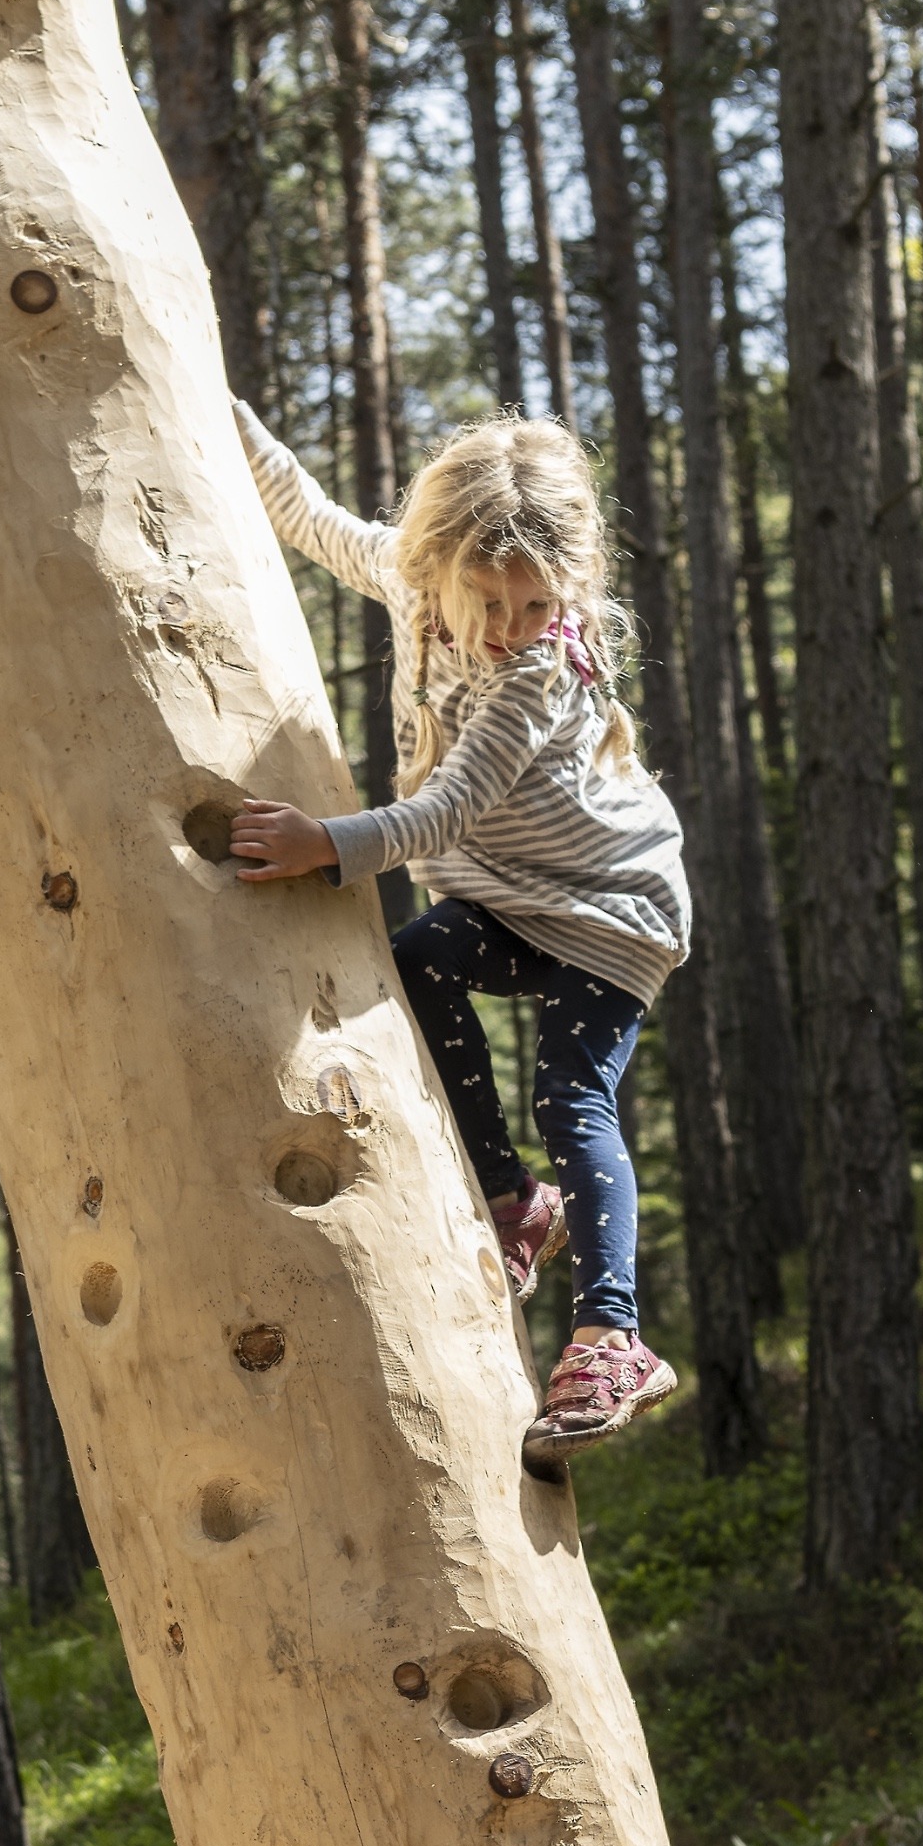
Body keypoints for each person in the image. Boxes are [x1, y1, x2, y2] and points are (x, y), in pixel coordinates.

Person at [227, 402, 689, 1460]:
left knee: (571, 1092)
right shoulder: (412, 573)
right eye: (490, 599)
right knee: (421, 965)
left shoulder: (542, 674)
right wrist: (222, 403)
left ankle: (613, 1335)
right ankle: (514, 1200)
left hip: (607, 908)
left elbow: (447, 808)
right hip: (507, 897)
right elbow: (309, 515)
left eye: (536, 603)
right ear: (440, 564)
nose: (509, 624)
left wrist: (325, 843)